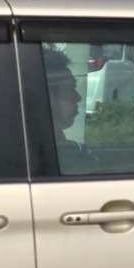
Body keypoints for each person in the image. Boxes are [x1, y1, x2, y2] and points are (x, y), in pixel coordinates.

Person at [41, 47, 101, 175]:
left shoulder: (61, 149)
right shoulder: (69, 160)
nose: (78, 97)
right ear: (47, 96)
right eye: (70, 88)